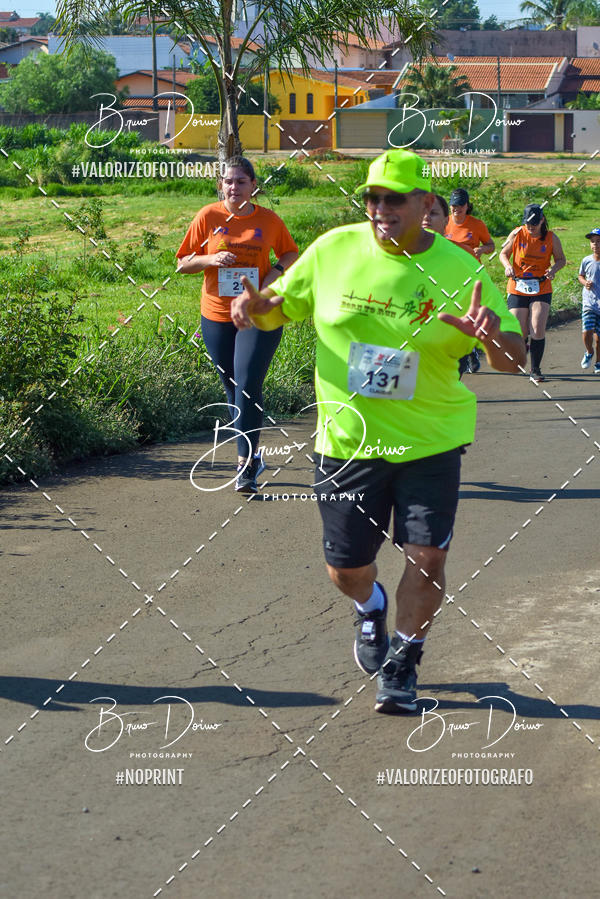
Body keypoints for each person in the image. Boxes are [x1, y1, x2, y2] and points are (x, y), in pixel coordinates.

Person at [231, 149, 525, 714]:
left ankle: (403, 663)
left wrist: (490, 337)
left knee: (428, 559)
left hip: (431, 440)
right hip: (348, 442)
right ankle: (371, 607)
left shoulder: (460, 270)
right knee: (346, 569)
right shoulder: (334, 250)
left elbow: (511, 363)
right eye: (372, 197)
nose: (380, 208)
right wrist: (256, 307)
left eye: (394, 198)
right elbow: (279, 308)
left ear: (426, 204)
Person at [176, 157, 299, 492]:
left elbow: (290, 254)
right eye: (228, 182)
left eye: (241, 182)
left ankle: (245, 465)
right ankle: (254, 455)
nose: (234, 188)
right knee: (232, 387)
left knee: (247, 384)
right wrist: (210, 259)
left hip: (259, 313)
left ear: (253, 185)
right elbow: (182, 263)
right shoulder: (208, 216)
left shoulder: (268, 220)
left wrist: (270, 277)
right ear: (221, 184)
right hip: (216, 314)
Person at [499, 203, 566, 383]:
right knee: (519, 330)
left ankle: (535, 369)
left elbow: (561, 260)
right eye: (528, 224)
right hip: (517, 285)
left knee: (537, 326)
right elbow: (503, 254)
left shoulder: (552, 238)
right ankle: (525, 343)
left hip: (541, 286)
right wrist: (507, 267)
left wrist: (553, 270)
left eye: (534, 224)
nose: (530, 228)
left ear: (542, 220)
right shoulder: (516, 233)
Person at [445, 187, 495, 375]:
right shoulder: (444, 223)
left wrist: (482, 250)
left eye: (460, 205)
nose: (456, 209)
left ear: (467, 206)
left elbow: (491, 245)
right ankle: (468, 352)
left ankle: (470, 351)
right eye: (453, 205)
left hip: (471, 276)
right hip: (449, 276)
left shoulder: (477, 224)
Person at [578, 227, 600, 374]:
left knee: (599, 338)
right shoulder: (586, 260)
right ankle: (589, 351)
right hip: (589, 303)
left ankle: (598, 363)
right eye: (593, 242)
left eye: (598, 242)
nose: (595, 245)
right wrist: (584, 282)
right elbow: (580, 275)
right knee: (587, 331)